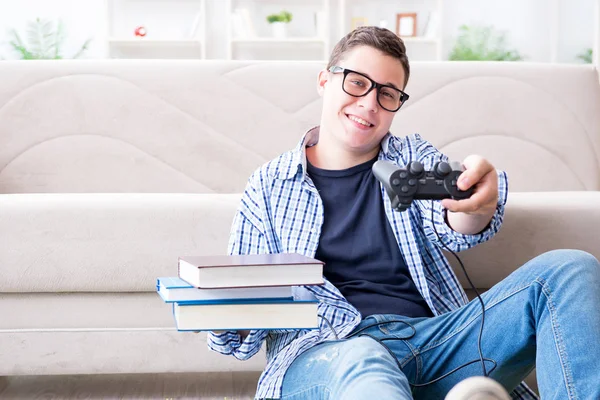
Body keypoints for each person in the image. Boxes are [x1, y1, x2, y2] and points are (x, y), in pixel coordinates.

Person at [207, 26, 600, 400]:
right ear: (325, 81)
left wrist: (473, 204)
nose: (369, 103)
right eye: (357, 82)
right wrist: (227, 307)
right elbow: (236, 334)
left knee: (569, 269)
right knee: (365, 356)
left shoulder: (411, 158)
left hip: (434, 345)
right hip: (327, 353)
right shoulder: (268, 185)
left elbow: (454, 224)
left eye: (388, 94)